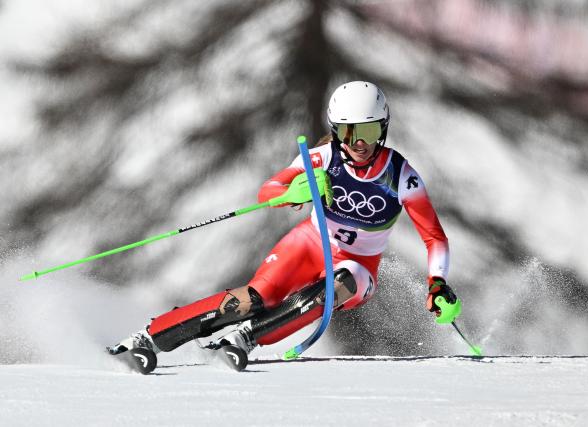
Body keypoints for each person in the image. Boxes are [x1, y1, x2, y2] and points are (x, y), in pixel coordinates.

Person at [109, 81, 458, 371]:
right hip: (308, 243)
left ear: (382, 128)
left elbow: (433, 236)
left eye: (367, 131)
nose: (359, 143)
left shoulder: (401, 176)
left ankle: (246, 338)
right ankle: (150, 337)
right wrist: (296, 190)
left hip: (359, 262)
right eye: (349, 133)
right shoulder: (322, 158)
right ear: (336, 131)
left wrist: (437, 282)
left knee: (339, 286)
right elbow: (268, 190)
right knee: (252, 299)